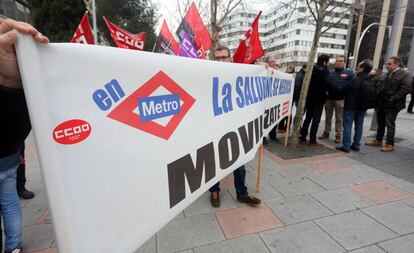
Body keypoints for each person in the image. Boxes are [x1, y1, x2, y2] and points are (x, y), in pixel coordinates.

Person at [0, 18, 49, 253]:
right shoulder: (24, 105)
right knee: (9, 203)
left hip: (9, 157)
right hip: (9, 158)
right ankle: (14, 247)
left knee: (9, 202)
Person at [210, 46, 261, 207]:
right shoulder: (207, 74)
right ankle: (214, 191)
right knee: (214, 163)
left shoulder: (239, 73)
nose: (221, 61)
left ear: (230, 58)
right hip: (214, 128)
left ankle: (242, 193)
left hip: (235, 128)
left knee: (239, 163)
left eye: (223, 57)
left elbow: (256, 79)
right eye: (217, 58)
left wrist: (264, 70)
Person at [366, 56, 412, 152]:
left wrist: (393, 98)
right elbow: (380, 85)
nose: (387, 66)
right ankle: (378, 140)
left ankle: (390, 144)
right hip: (382, 103)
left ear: (397, 64)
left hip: (393, 104)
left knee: (390, 123)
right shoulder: (387, 74)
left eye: (390, 64)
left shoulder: (404, 74)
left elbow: (406, 88)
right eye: (387, 64)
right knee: (381, 122)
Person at [336, 59, 373, 153]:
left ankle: (346, 146)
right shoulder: (370, 79)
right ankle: (356, 145)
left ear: (362, 68)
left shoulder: (355, 79)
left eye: (359, 66)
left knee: (347, 125)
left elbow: (343, 90)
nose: (357, 67)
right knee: (359, 126)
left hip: (351, 106)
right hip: (363, 106)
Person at [319, 55, 355, 143]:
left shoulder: (349, 73)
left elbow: (352, 85)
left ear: (344, 63)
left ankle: (338, 134)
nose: (338, 62)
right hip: (329, 99)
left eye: (341, 61)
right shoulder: (329, 72)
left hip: (340, 99)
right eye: (337, 61)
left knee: (339, 118)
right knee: (328, 117)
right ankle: (326, 132)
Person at [300, 55, 330, 147]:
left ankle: (303, 136)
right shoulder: (325, 71)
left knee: (308, 118)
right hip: (319, 99)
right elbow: (327, 84)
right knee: (316, 120)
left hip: (310, 98)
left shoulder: (312, 68)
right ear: (325, 61)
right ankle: (312, 140)